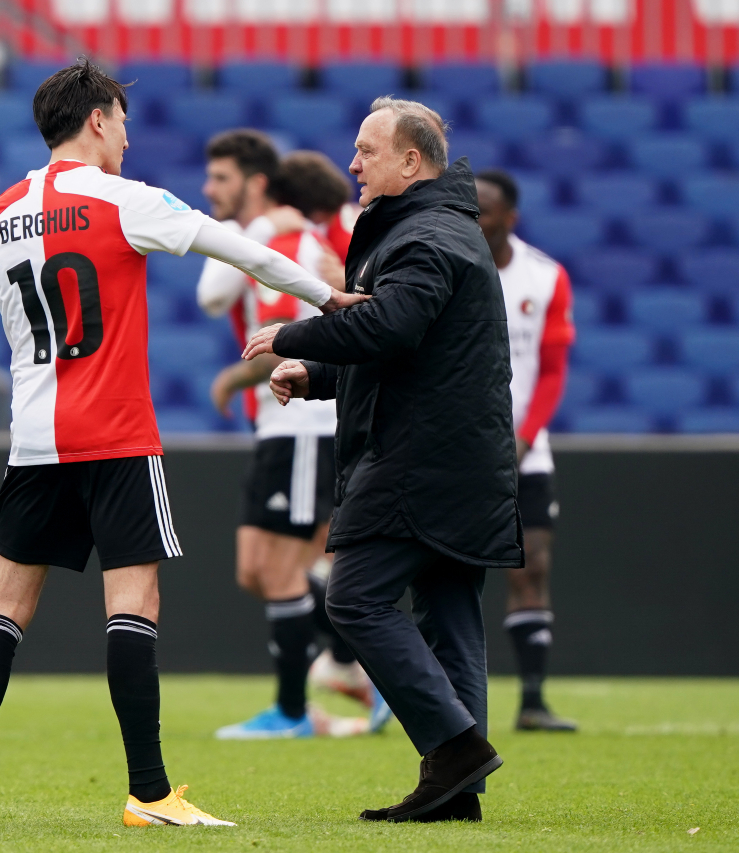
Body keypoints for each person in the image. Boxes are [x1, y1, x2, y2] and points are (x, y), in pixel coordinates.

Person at [0, 60, 362, 829]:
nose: (128, 133)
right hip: (117, 438)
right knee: (134, 604)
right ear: (95, 121)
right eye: (121, 119)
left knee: (4, 610)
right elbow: (242, 251)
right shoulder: (128, 201)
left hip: (36, 444)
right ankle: (149, 794)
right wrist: (331, 298)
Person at [242, 97, 522, 824]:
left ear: (412, 161)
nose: (352, 164)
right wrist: (319, 377)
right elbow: (410, 353)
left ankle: (455, 748)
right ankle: (458, 787)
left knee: (354, 596)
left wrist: (294, 336)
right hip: (463, 457)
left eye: (367, 150)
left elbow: (393, 325)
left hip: (419, 459)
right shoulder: (440, 231)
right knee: (449, 614)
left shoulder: (424, 236)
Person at [194, 134, 379, 739]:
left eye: (221, 179)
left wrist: (236, 374)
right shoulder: (269, 239)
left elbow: (283, 331)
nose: (209, 190)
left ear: (258, 184)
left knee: (282, 571)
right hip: (278, 428)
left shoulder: (292, 240)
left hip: (302, 424)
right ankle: (355, 669)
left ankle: (304, 708)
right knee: (257, 569)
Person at [475, 169, 578, 732]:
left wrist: (526, 433)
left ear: (510, 217)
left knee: (530, 565)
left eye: (485, 210)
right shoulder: (448, 265)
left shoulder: (545, 277)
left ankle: (533, 700)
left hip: (523, 451)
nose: (475, 219)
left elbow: (554, 369)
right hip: (459, 449)